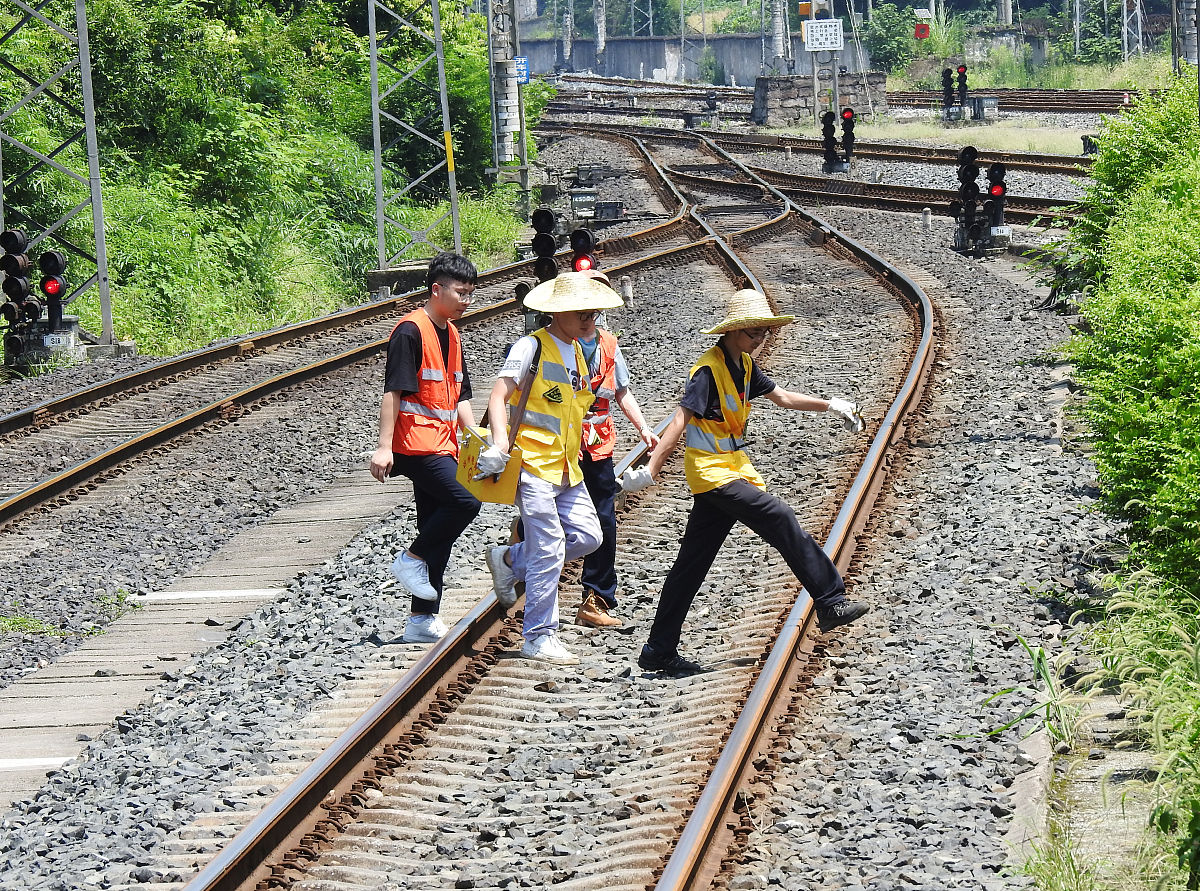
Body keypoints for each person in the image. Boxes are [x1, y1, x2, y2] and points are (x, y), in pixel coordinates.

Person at [621, 288, 869, 677]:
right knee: (780, 516)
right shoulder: (708, 371)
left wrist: (831, 405)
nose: (760, 339)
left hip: (732, 470)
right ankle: (830, 600)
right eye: (754, 332)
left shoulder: (745, 366)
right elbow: (679, 421)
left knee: (690, 565)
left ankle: (658, 650)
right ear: (734, 331)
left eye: (764, 332)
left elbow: (782, 397)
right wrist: (652, 470)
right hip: (712, 474)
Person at [477, 272, 623, 665]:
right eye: (583, 313)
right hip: (532, 465)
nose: (590, 320)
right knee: (549, 547)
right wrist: (500, 444)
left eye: (593, 314)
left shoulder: (577, 352)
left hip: (567, 467)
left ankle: (510, 560)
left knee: (589, 536)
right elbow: (498, 395)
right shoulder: (531, 346)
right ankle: (539, 636)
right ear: (558, 312)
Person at [369, 252, 481, 644]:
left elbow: (459, 394)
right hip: (415, 444)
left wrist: (477, 441)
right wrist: (384, 447)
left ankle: (421, 619)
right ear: (436, 289)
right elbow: (393, 391)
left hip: (443, 443)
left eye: (470, 293)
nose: (466, 300)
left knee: (437, 527)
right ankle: (410, 559)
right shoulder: (410, 331)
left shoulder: (452, 334)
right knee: (465, 501)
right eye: (460, 292)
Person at [573, 271, 659, 628]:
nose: (589, 314)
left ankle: (596, 598)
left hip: (597, 444)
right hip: (559, 444)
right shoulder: (551, 342)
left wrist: (643, 428)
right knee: (556, 517)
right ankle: (520, 544)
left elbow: (621, 391)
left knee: (604, 518)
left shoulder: (608, 344)